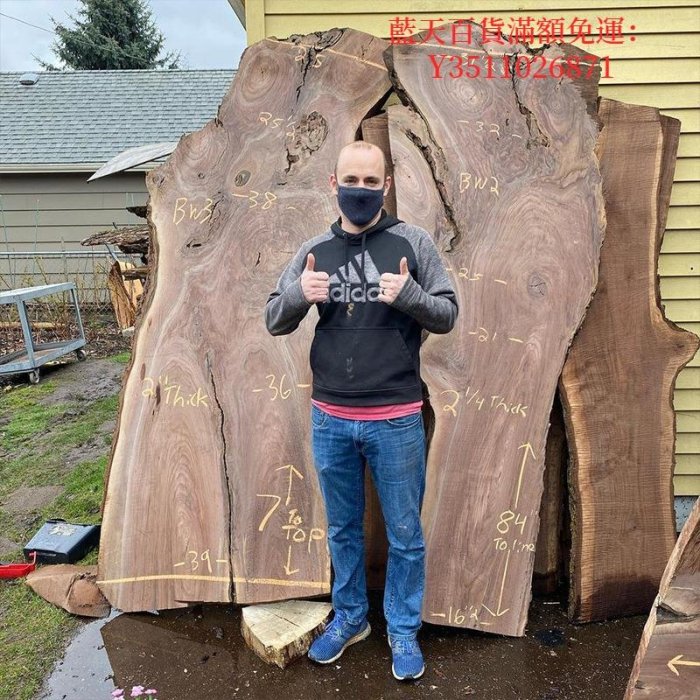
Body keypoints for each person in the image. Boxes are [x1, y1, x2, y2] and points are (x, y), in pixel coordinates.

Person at [264, 140, 458, 681]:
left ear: (385, 187)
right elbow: (273, 319)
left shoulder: (412, 243)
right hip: (330, 416)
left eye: (371, 182)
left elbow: (447, 314)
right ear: (334, 184)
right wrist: (300, 294)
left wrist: (410, 296)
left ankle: (401, 629)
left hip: (396, 416)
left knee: (404, 533)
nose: (361, 191)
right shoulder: (313, 251)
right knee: (344, 529)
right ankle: (351, 618)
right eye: (352, 180)